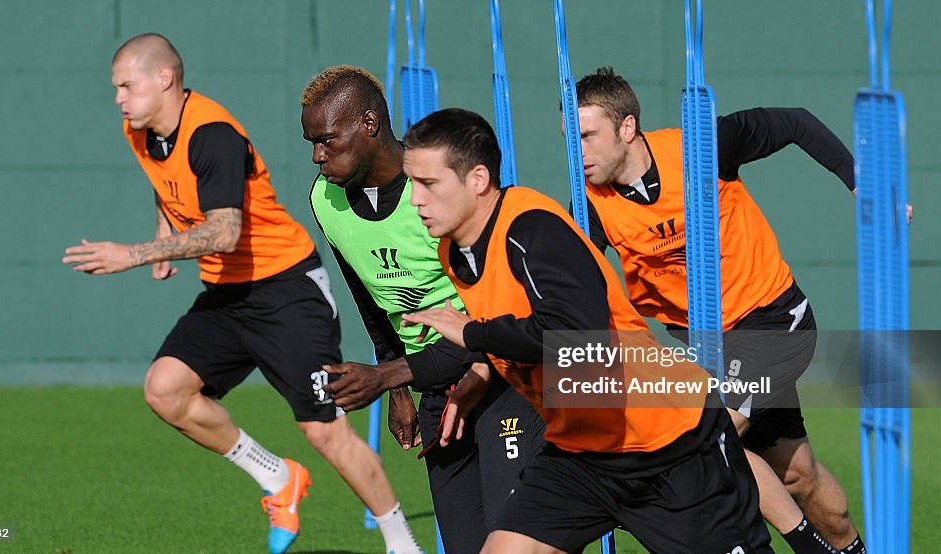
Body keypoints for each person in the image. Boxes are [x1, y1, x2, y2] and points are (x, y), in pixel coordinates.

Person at [61, 34, 421, 554]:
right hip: (227, 293)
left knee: (324, 430)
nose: (118, 97)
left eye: (126, 86)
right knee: (165, 389)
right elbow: (170, 184)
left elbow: (225, 232)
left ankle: (401, 543)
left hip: (285, 289)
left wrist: (135, 253)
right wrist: (165, 234)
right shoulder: (139, 130)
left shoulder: (213, 134)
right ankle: (278, 479)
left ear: (164, 79)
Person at [400, 108, 771, 554]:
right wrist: (481, 367)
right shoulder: (453, 250)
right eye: (411, 184)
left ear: (478, 179)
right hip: (579, 452)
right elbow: (513, 323)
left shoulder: (532, 230)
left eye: (429, 184)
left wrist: (476, 337)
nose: (415, 200)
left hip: (668, 441)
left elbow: (581, 339)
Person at [570, 66, 864, 554]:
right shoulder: (592, 205)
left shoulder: (701, 148)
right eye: (569, 139)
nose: (577, 152)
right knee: (798, 477)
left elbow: (795, 122)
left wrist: (861, 185)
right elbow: (573, 281)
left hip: (773, 322)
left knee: (706, 434)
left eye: (586, 136)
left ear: (626, 129)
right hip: (711, 345)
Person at [299, 65, 545, 552]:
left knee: (513, 539)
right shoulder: (324, 201)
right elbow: (368, 296)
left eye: (327, 140)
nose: (316, 156)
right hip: (429, 384)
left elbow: (505, 313)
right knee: (463, 542)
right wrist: (400, 388)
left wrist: (388, 376)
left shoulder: (439, 188)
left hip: (504, 376)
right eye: (311, 142)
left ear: (369, 124)